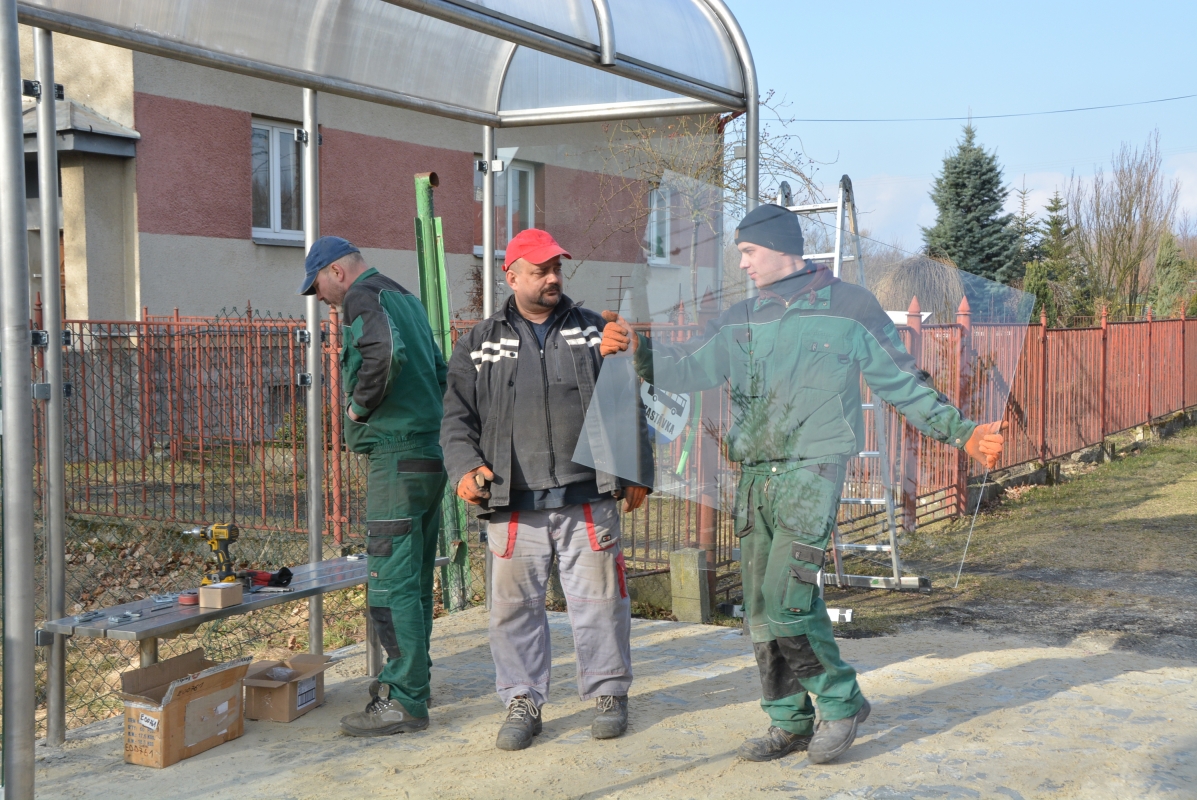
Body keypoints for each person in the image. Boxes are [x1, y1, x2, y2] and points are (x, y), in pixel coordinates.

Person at [600, 205, 1006, 764]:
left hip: (813, 473)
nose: (741, 263)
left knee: (789, 601)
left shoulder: (850, 306)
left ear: (782, 247)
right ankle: (789, 721)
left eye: (748, 252)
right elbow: (689, 367)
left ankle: (840, 702)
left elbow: (902, 379)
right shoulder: (742, 316)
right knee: (761, 607)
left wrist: (962, 433)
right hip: (754, 479)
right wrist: (638, 351)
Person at [441, 228, 650, 751]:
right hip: (513, 500)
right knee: (513, 608)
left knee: (601, 601)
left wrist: (637, 467)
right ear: (511, 276)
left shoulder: (593, 331)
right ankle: (522, 698)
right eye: (541, 270)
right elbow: (455, 418)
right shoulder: (478, 342)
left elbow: (628, 397)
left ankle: (608, 692)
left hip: (588, 495)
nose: (554, 277)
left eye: (557, 267)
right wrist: (465, 468)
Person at [297, 236, 448, 737]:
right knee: (417, 576)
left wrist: (360, 407)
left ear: (337, 272)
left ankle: (403, 700)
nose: (319, 298)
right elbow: (440, 369)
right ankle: (414, 683)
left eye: (318, 285)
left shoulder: (363, 298)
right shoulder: (404, 296)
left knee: (389, 578)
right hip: (429, 452)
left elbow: (384, 353)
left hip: (396, 457)